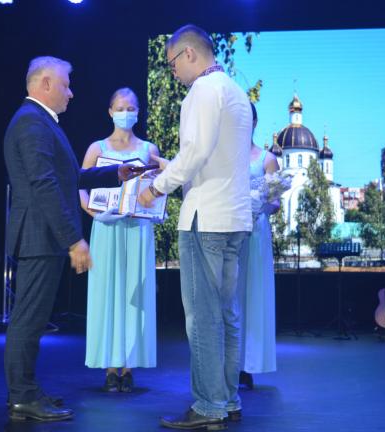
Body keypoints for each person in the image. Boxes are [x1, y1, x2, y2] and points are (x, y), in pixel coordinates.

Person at [3, 56, 137, 422]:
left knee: (33, 320)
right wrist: (74, 240)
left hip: (41, 236)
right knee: (29, 321)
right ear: (45, 84)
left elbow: (66, 177)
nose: (71, 92)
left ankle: (27, 391)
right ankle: (22, 397)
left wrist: (115, 174)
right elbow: (44, 185)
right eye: (66, 84)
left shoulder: (39, 120)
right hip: (38, 237)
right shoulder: (32, 122)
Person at [138, 25, 253, 430]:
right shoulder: (235, 92)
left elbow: (197, 153)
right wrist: (172, 166)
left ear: (188, 54)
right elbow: (212, 157)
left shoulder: (202, 90)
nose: (173, 73)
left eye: (172, 64)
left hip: (205, 219)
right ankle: (228, 399)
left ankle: (208, 406)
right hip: (234, 218)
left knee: (202, 318)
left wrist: (156, 186)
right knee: (227, 314)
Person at [79, 87, 159, 393]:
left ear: (138, 112)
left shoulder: (148, 149)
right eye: (121, 108)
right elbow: (80, 186)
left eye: (131, 108)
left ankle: (129, 366)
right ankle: (110, 367)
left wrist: (154, 205)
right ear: (111, 112)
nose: (126, 113)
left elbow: (158, 185)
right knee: (107, 291)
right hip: (106, 228)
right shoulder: (97, 148)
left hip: (137, 229)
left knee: (134, 293)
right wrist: (95, 213)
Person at [238, 103, 280, 391]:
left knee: (253, 294)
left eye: (247, 118)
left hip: (255, 232)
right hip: (229, 230)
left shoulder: (268, 159)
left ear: (254, 122)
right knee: (231, 296)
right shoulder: (225, 156)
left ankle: (248, 364)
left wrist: (259, 206)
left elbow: (275, 202)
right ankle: (229, 361)